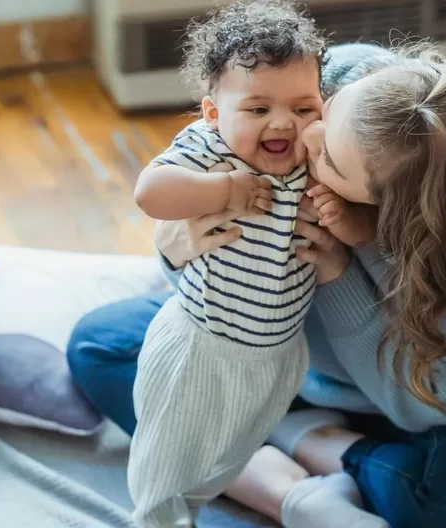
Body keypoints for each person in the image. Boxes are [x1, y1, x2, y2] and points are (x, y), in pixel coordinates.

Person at [68, 39, 446, 528]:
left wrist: (339, 271)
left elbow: (429, 401)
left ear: (392, 215)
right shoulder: (321, 83)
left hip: (444, 388)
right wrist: (176, 247)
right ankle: (296, 483)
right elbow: (190, 209)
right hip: (282, 348)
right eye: (328, 111)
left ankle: (320, 447)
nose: (304, 135)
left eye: (330, 161)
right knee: (101, 346)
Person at [122, 2, 352, 527]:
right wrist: (224, 188)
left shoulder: (317, 158)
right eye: (256, 109)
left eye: (303, 109)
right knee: (167, 461)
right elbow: (149, 192)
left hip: (277, 357)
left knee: (224, 460)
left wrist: (343, 221)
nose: (282, 124)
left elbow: (363, 221)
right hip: (202, 346)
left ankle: (194, 506)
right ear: (212, 114)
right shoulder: (211, 153)